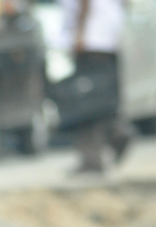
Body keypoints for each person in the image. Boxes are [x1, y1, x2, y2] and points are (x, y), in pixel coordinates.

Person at [57, 0, 133, 172]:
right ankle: (118, 132)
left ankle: (93, 159)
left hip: (90, 41)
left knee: (85, 103)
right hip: (110, 40)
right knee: (104, 97)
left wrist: (79, 34)